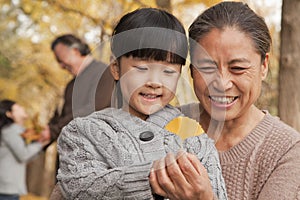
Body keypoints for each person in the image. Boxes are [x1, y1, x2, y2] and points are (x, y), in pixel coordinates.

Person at [50, 8, 227, 200]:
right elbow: (79, 186)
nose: (154, 82)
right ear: (116, 69)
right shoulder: (83, 132)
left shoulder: (194, 136)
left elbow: (216, 192)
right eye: (142, 68)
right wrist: (151, 178)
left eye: (168, 72)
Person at [151, 1, 300, 200]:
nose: (221, 83)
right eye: (206, 68)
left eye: (237, 68)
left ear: (264, 66)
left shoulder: (287, 151)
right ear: (191, 70)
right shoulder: (162, 124)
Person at [47, 34, 115, 142]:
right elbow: (64, 116)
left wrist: (53, 130)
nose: (61, 66)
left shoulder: (105, 73)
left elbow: (93, 109)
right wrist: (48, 130)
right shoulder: (70, 86)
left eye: (61, 60)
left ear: (75, 51)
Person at [0, 99, 50, 200]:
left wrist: (40, 143)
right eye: (17, 107)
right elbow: (23, 155)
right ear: (9, 114)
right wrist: (40, 144)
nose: (22, 108)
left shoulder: (19, 131)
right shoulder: (10, 131)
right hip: (6, 187)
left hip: (9, 186)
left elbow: (27, 155)